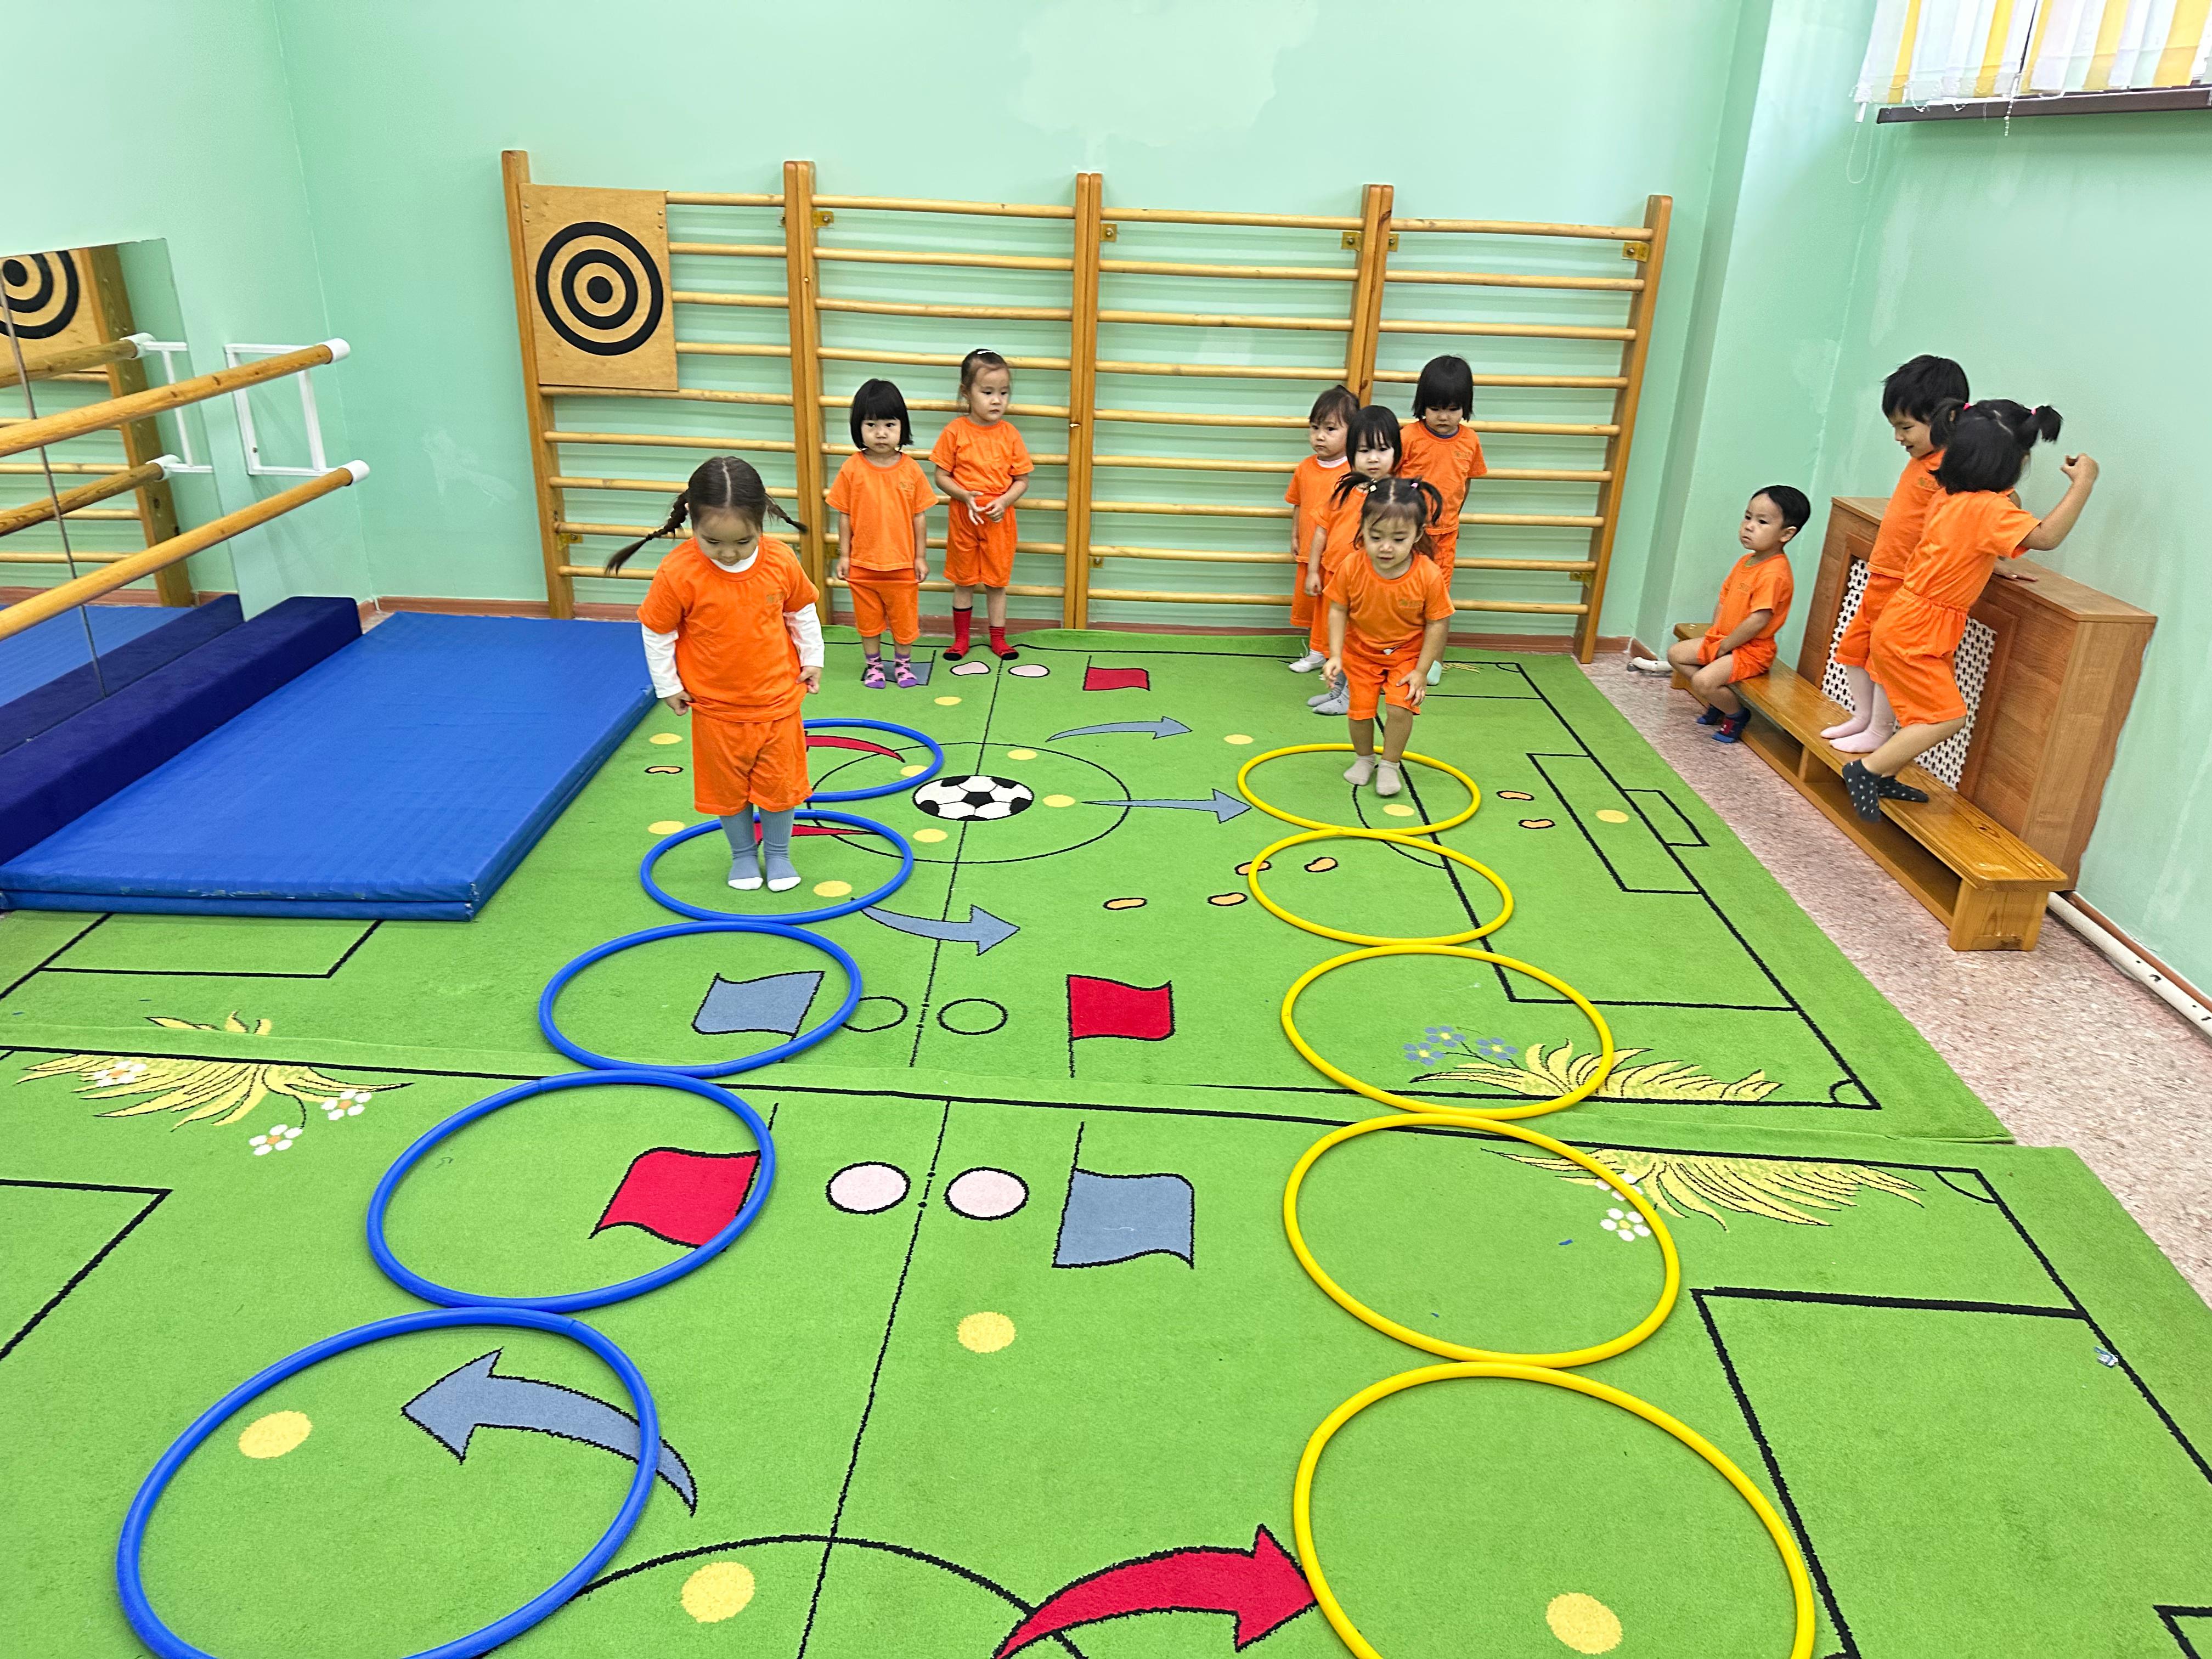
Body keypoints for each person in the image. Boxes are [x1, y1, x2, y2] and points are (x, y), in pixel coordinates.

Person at [1846, 401, 2096, 821]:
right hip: (1918, 628)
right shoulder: (1989, 509)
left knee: (1926, 714)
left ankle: (1884, 774)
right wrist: (2084, 483)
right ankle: (1866, 771)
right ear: (2015, 463)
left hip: (1909, 618)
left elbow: (1952, 546)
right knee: (1946, 718)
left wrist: (1989, 564)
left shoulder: (1952, 496)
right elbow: (2046, 537)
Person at [613, 455, 823, 894]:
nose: (729, 553)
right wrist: (668, 685)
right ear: (692, 518)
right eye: (713, 542)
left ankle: (779, 854)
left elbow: (801, 611)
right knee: (727, 792)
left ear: (762, 520)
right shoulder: (678, 572)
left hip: (778, 702)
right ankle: (743, 855)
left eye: (744, 541)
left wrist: (813, 658)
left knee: (780, 788)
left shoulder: (780, 561)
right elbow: (658, 631)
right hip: (715, 709)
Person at [1824, 354, 1970, 753]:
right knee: (1856, 647)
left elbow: (1985, 517)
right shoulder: (1922, 460)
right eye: (1894, 427)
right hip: (1884, 573)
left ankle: (1880, 729)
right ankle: (1863, 717)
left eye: (1906, 428)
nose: (1898, 438)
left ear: (1948, 419)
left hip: (1910, 586)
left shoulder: (1953, 468)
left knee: (1886, 660)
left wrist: (1999, 563)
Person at [1319, 477, 1454, 798]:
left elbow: (1438, 623)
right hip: (1361, 652)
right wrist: (1335, 655)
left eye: (1398, 539)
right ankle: (1364, 759)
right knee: (1360, 711)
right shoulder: (1352, 566)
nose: (1385, 547)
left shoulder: (1428, 575)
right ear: (1363, 529)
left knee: (1399, 709)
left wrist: (1421, 671)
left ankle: (1390, 764)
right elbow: (1337, 609)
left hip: (1407, 654)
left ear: (1418, 535)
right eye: (1376, 536)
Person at [1664, 486, 1806, 743]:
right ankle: (1718, 700)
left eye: (1762, 522)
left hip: (1751, 650)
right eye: (1748, 517)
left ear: (1786, 534)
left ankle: (1736, 714)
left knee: (1704, 681)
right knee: (1676, 654)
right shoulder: (1746, 562)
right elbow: (1724, 598)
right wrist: (1716, 634)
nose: (1749, 526)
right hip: (1725, 640)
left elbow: (1758, 620)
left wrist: (1725, 646)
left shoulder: (1774, 573)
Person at [828, 378, 935, 689]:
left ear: (902, 427)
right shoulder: (851, 468)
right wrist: (845, 556)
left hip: (902, 568)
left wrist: (920, 557)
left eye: (890, 424)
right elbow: (845, 515)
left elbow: (919, 517)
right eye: (871, 424)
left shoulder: (911, 469)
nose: (881, 433)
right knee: (868, 623)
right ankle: (874, 666)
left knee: (904, 623)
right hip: (863, 567)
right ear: (858, 428)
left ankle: (903, 665)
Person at [1307, 404, 1408, 717]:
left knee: (1361, 644)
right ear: (1352, 453)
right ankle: (1338, 689)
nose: (1373, 459)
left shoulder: (1395, 497)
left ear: (1397, 453)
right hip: (1338, 580)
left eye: (1382, 450)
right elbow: (1322, 529)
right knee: (1341, 641)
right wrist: (1313, 570)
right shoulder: (1344, 489)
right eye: (1365, 451)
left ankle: (1352, 696)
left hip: (1370, 586)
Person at [931, 348, 1031, 661]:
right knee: (963, 582)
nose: (997, 401)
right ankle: (960, 639)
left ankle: (998, 639)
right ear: (966, 392)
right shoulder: (955, 431)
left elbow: (1022, 480)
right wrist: (964, 495)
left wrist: (1004, 501)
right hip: (964, 519)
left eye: (1004, 393)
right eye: (987, 392)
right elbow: (941, 476)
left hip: (999, 521)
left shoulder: (1010, 434)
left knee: (997, 584)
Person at [1397, 354, 1488, 685]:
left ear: (1466, 407)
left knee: (1438, 601)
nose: (1443, 417)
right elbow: (1391, 483)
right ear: (1422, 405)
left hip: (1445, 536)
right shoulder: (1408, 437)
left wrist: (1452, 520)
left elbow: (1465, 484)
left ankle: (1433, 661)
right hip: (1407, 535)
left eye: (1452, 409)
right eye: (1435, 408)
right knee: (1402, 594)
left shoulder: (1470, 441)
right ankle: (1397, 655)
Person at [1285, 383, 1358, 673]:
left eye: (1330, 429)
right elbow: (1298, 504)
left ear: (1352, 432)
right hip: (1309, 552)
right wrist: (1295, 535)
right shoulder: (1305, 468)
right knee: (1313, 605)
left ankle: (1337, 655)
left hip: (1338, 558)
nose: (1320, 436)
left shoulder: (1353, 471)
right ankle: (1316, 651)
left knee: (1336, 605)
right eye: (1315, 428)